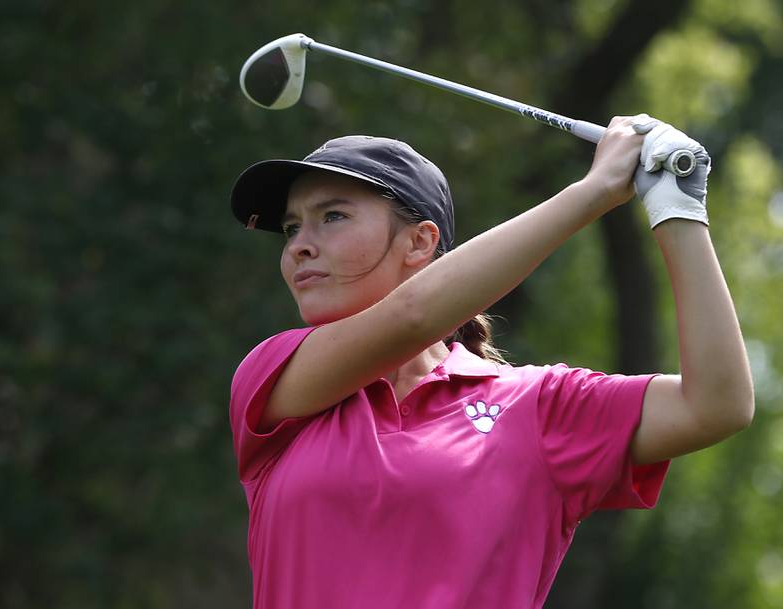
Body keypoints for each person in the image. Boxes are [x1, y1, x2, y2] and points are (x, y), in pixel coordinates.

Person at [227, 116, 754, 609]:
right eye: (293, 227)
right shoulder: (273, 378)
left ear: (419, 242)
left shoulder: (538, 407)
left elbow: (717, 403)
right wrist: (594, 191)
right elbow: (414, 315)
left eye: (332, 217)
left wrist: (676, 208)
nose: (299, 246)